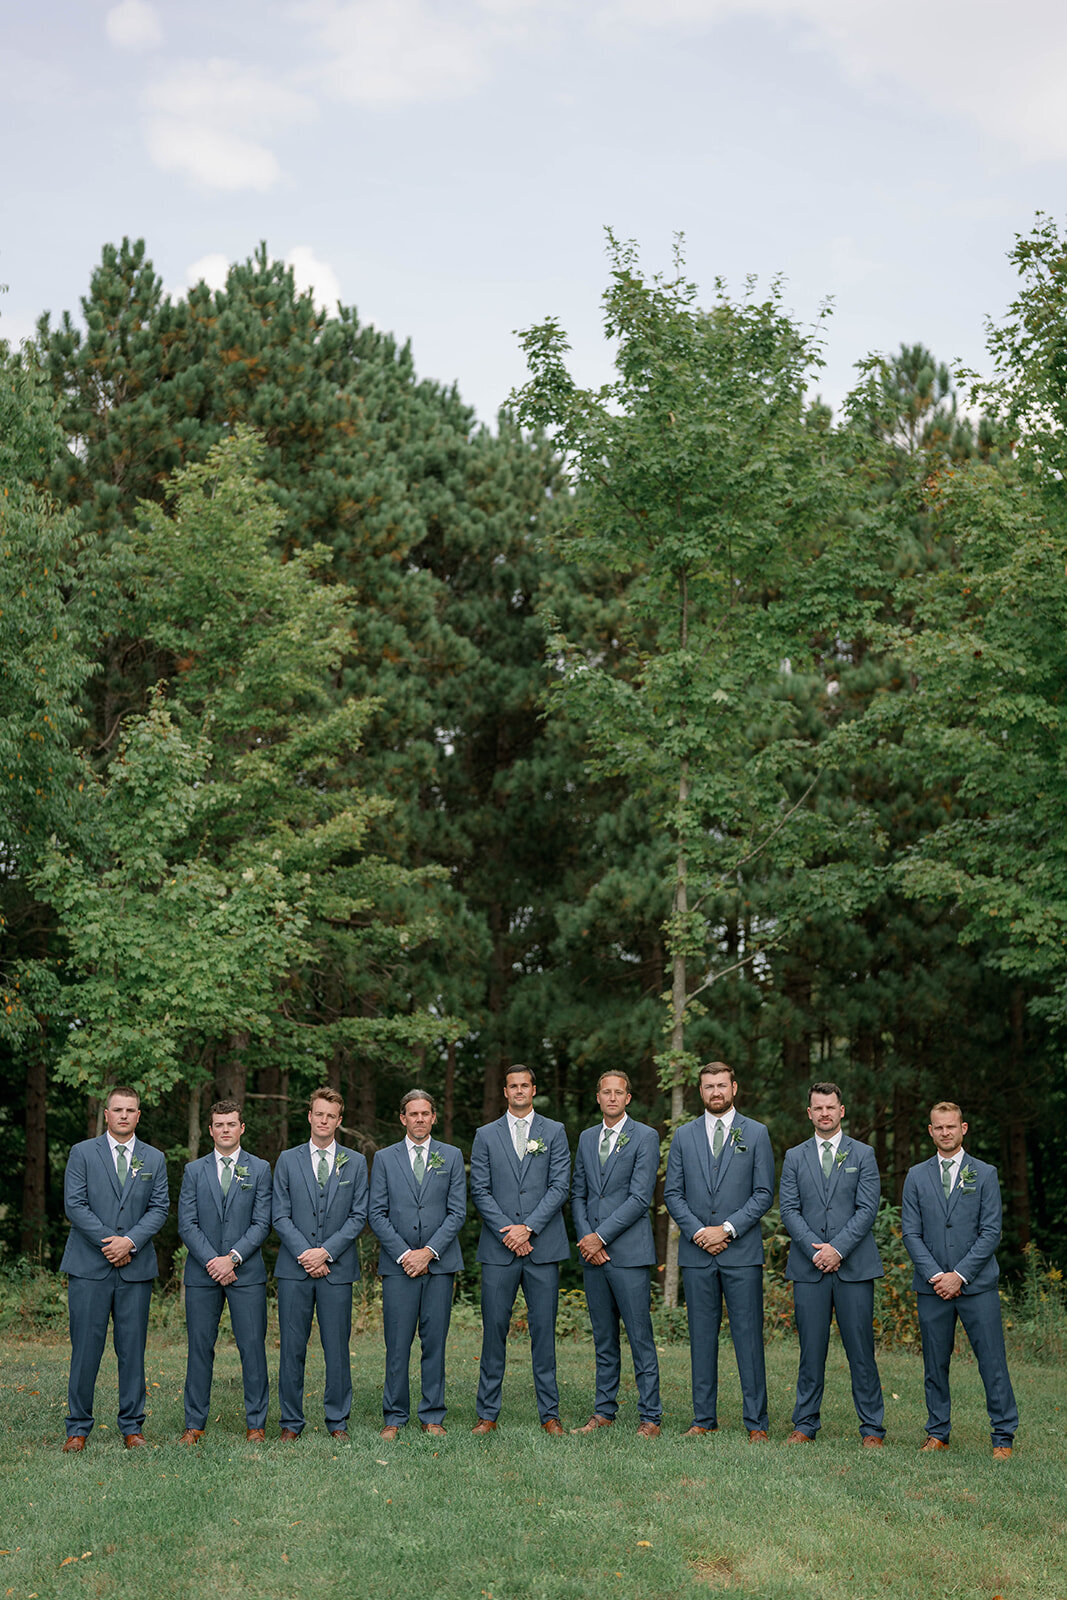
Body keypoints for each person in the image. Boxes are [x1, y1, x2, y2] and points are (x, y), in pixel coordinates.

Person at [664, 1061, 774, 1441]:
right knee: (701, 1337)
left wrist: (726, 1229)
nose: (716, 1092)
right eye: (709, 1086)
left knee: (748, 1337)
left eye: (722, 1085)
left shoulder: (756, 1133)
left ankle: (756, 1422)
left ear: (734, 1088)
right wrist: (698, 1233)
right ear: (700, 1091)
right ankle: (703, 1419)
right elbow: (673, 1194)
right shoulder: (684, 1136)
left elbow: (763, 1193)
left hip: (741, 1253)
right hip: (697, 1255)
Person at [901, 1101, 1018, 1457]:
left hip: (976, 1285)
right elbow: (910, 1233)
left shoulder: (984, 1173)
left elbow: (991, 1231)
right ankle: (937, 1432)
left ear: (963, 1128)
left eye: (951, 1126)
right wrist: (938, 1276)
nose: (945, 1132)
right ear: (930, 1131)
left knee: (992, 1362)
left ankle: (1002, 1436)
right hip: (932, 1287)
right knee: (935, 1363)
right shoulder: (916, 1175)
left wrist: (960, 1276)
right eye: (938, 1127)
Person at [60, 1086, 170, 1451]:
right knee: (85, 1349)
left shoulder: (154, 1159)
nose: (124, 1115)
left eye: (131, 1110)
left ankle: (132, 1426)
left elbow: (159, 1208)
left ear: (139, 1116)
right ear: (105, 1114)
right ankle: (77, 1427)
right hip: (89, 1267)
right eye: (117, 1110)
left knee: (132, 1350)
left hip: (135, 1269)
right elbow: (75, 1205)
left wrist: (131, 1243)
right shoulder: (82, 1153)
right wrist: (112, 1243)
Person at [778, 1081, 886, 1446]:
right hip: (809, 1270)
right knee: (811, 1350)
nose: (825, 1113)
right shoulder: (794, 1157)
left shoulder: (863, 1154)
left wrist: (837, 1249)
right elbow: (789, 1209)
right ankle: (805, 1424)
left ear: (841, 1111)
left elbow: (867, 1209)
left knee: (861, 1352)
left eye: (831, 1107)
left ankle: (872, 1428)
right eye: (818, 1108)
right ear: (809, 1113)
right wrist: (816, 1252)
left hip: (854, 1268)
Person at [469, 1064, 571, 1434]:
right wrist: (507, 1232)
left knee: (543, 1332)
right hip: (498, 1250)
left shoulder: (554, 1132)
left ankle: (550, 1414)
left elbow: (560, 1186)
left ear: (533, 1089)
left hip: (543, 1248)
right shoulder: (485, 1135)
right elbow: (479, 1189)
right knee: (494, 1331)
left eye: (524, 1085)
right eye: (512, 1086)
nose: (519, 1091)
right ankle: (487, 1415)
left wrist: (528, 1228)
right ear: (505, 1091)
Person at [369, 1089, 466, 1439]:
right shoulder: (384, 1158)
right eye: (413, 1114)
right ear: (402, 1118)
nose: (420, 1119)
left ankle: (432, 1415)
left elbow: (458, 1212)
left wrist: (429, 1252)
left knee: (435, 1342)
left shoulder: (451, 1156)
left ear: (434, 1117)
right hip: (398, 1266)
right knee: (397, 1343)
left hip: (439, 1265)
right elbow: (376, 1213)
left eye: (426, 1113)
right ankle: (394, 1417)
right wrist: (406, 1254)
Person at [273, 1087, 369, 1442]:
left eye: (331, 1115)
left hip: (337, 1271)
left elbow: (359, 1216)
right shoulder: (287, 1159)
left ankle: (337, 1421)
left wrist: (326, 1252)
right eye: (319, 1114)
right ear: (309, 1117)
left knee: (337, 1349)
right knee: (292, 1348)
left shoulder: (355, 1163)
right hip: (294, 1270)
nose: (324, 1120)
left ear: (339, 1121)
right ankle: (290, 1422)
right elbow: (279, 1215)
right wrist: (307, 1254)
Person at [571, 1071, 662, 1437]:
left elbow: (641, 1198)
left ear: (628, 1098)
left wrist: (601, 1237)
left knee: (640, 1337)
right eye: (606, 1092)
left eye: (618, 1092)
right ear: (598, 1097)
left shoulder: (645, 1136)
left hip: (628, 1254)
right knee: (603, 1337)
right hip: (592, 1255)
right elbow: (578, 1193)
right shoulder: (587, 1137)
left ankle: (650, 1417)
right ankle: (603, 1411)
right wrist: (585, 1238)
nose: (612, 1098)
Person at [177, 1100, 272, 1443]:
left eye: (232, 1123)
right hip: (203, 1274)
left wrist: (232, 1258)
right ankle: (194, 1424)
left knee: (252, 1348)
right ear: (211, 1129)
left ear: (242, 1128)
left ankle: (257, 1424)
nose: (226, 1129)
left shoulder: (260, 1169)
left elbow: (263, 1223)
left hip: (246, 1273)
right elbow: (187, 1225)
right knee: (200, 1348)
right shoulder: (194, 1171)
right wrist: (213, 1262)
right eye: (219, 1124)